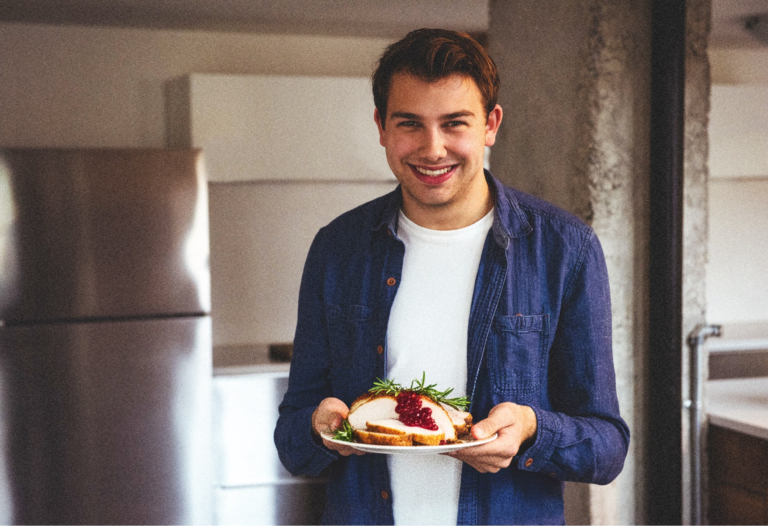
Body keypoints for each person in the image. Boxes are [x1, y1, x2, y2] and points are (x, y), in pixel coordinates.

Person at [274, 28, 629, 525]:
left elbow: (608, 448)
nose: (433, 148)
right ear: (381, 126)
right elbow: (292, 439)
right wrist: (317, 427)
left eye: (454, 123)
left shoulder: (565, 249)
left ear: (491, 124)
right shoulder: (337, 248)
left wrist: (530, 428)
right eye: (410, 124)